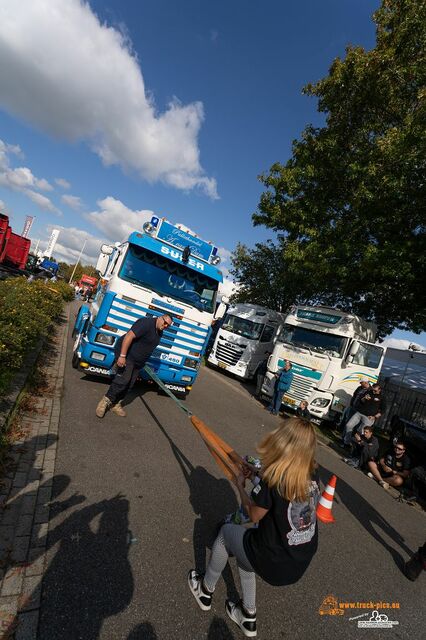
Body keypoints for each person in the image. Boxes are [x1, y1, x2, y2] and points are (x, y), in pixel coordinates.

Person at [188, 418, 320, 638]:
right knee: (246, 552)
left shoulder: (275, 478)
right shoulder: (311, 473)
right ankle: (248, 615)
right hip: (298, 562)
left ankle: (204, 590)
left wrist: (240, 486)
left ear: (283, 441)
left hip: (273, 559)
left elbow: (252, 514)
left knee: (226, 534)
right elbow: (282, 497)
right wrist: (257, 474)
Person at [96, 314, 173, 418]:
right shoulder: (145, 323)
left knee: (130, 384)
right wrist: (122, 356)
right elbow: (129, 336)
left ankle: (115, 404)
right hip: (127, 354)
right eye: (165, 323)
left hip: (138, 361)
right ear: (160, 318)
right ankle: (104, 402)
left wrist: (142, 360)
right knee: (123, 380)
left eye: (168, 325)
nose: (165, 326)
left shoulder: (159, 332)